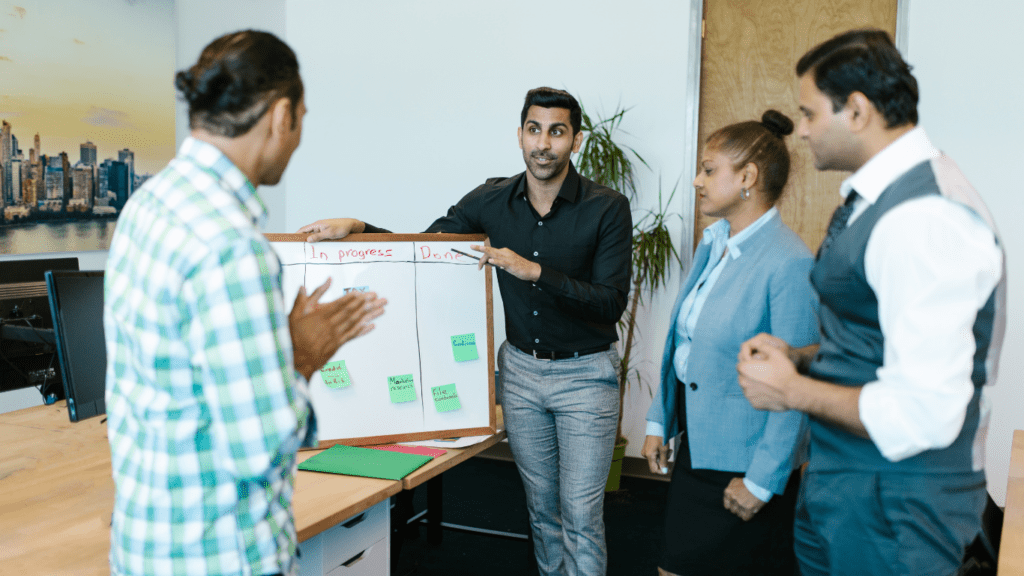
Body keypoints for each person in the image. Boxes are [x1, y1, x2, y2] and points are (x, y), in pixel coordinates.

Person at [298, 87, 632, 576]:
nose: (544, 143)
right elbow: (426, 248)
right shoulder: (491, 200)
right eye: (534, 130)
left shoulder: (607, 208)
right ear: (520, 135)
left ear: (575, 141)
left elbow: (611, 302)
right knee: (542, 512)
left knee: (581, 514)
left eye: (557, 132)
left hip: (585, 377)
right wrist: (359, 226)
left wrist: (533, 271)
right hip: (520, 375)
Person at [104, 30, 387, 576]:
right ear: (282, 116)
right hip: (219, 553)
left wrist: (266, 347)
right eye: (302, 118)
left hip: (148, 541)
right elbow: (258, 447)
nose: (299, 137)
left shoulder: (147, 206)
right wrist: (299, 357)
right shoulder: (232, 246)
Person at [736, 29, 1006, 576]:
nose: (803, 130)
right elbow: (876, 338)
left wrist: (792, 390)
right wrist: (800, 356)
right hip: (845, 485)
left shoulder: (925, 219)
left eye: (809, 114)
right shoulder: (876, 199)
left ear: (856, 110)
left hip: (899, 502)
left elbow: (924, 412)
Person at [640, 111, 817, 576]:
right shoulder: (715, 244)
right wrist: (661, 420)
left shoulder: (788, 263)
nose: (697, 180)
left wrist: (761, 482)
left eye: (709, 169)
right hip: (699, 449)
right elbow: (686, 343)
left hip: (747, 465)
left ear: (747, 178)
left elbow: (795, 388)